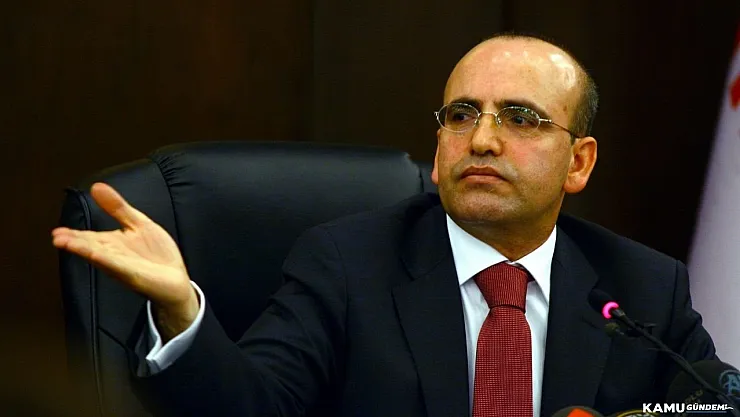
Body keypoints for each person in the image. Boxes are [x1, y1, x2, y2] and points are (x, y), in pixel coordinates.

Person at [52, 33, 717, 417]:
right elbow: (252, 405)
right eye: (461, 115)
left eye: (520, 118)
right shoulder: (347, 264)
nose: (483, 140)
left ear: (579, 162)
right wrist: (180, 309)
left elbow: (714, 403)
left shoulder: (643, 287)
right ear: (439, 148)